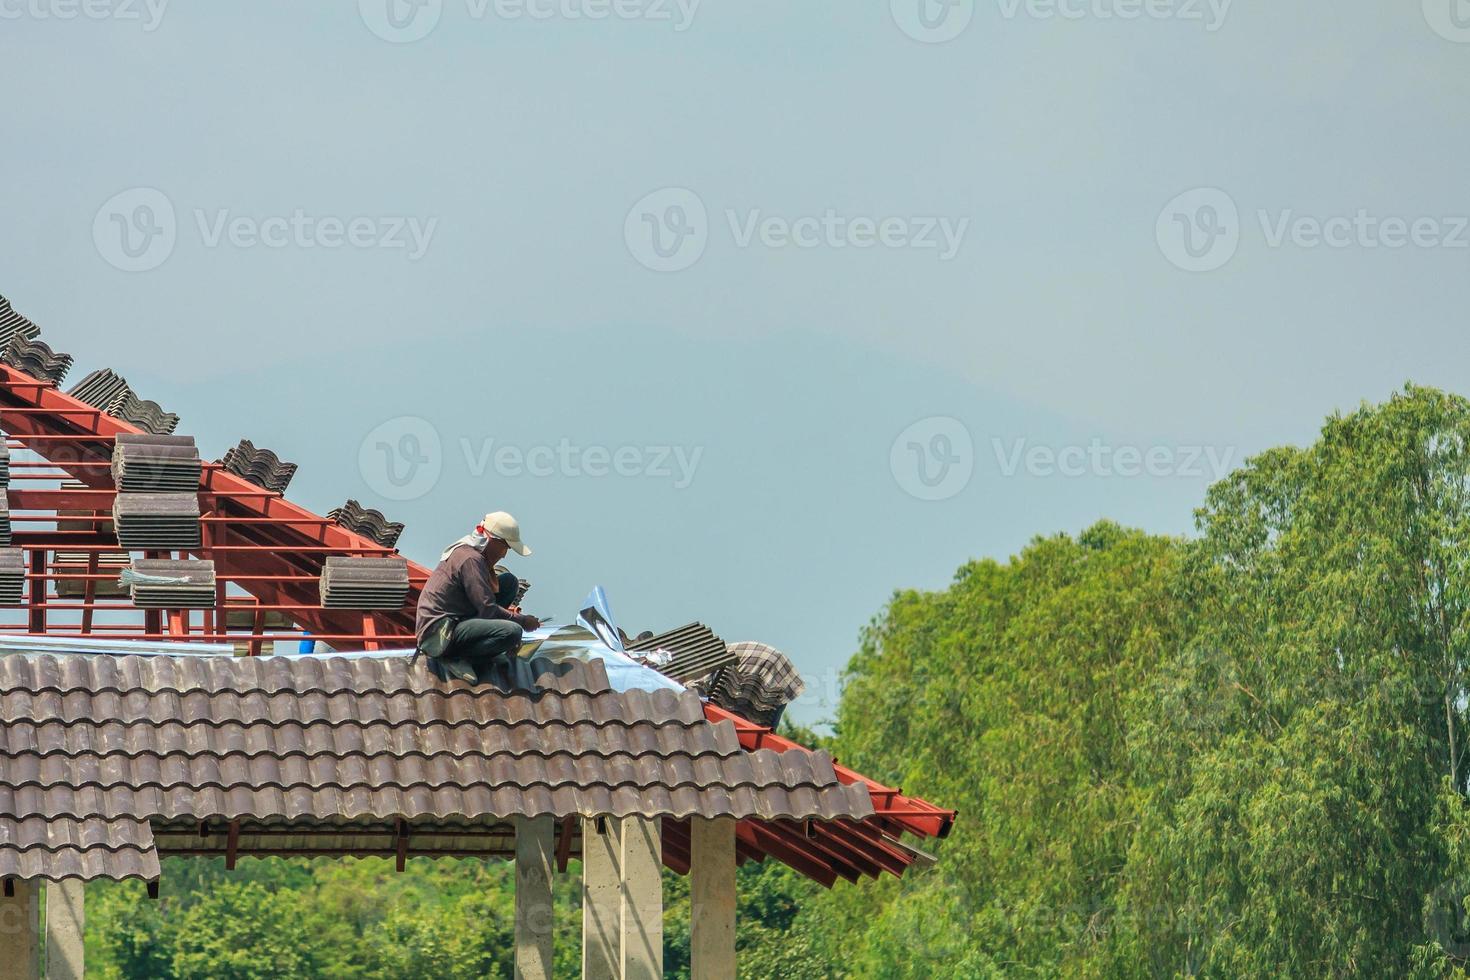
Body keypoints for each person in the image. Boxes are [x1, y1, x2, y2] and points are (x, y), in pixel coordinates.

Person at [416, 511, 541, 683]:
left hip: (458, 620)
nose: (504, 554)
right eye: (505, 547)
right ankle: (458, 657)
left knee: (510, 583)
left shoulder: (475, 556)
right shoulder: (470, 560)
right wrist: (521, 620)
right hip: (440, 633)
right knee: (512, 632)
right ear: (492, 540)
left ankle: (484, 648)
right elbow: (487, 608)